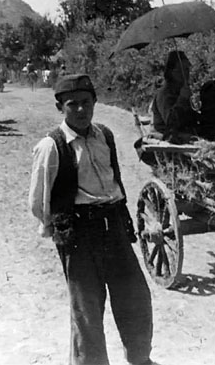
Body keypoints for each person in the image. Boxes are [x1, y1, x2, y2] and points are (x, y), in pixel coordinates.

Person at [28, 74, 153, 365]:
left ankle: (140, 358)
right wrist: (62, 227)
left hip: (114, 227)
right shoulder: (51, 146)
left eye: (86, 103)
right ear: (61, 107)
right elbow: (38, 202)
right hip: (79, 236)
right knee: (87, 310)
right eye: (73, 105)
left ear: (95, 102)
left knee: (135, 296)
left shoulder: (105, 135)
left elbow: (114, 181)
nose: (81, 110)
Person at [151, 50, 197, 142]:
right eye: (181, 70)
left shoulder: (181, 89)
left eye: (187, 70)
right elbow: (171, 122)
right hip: (169, 141)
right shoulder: (164, 93)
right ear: (171, 72)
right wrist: (182, 99)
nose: (185, 74)